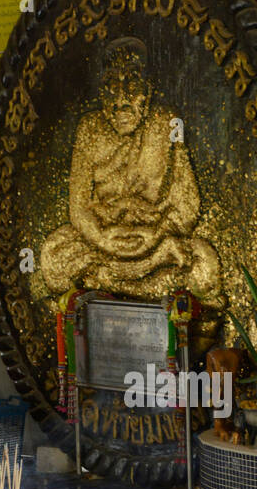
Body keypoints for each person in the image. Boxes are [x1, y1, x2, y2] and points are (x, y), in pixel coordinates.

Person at [40, 37, 224, 306]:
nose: (121, 101)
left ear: (148, 90)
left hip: (156, 240)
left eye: (132, 86)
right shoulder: (89, 128)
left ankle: (108, 284)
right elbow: (78, 209)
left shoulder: (165, 123)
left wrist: (159, 233)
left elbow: (187, 204)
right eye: (112, 88)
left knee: (204, 268)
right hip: (102, 242)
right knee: (52, 257)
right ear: (102, 92)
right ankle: (138, 288)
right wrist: (104, 239)